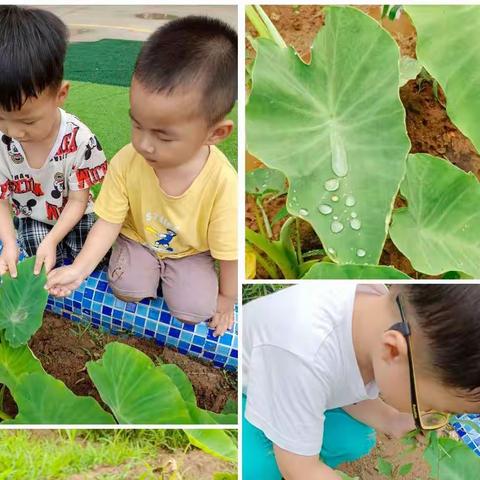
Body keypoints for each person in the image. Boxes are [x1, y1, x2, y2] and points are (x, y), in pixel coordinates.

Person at [46, 16, 238, 337]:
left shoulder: (223, 185)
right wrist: (79, 270)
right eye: (137, 125)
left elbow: (228, 255)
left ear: (215, 133)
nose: (143, 144)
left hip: (190, 250)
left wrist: (227, 298)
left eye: (163, 136)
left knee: (195, 309)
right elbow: (107, 222)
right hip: (137, 237)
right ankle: (146, 268)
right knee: (126, 288)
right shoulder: (128, 160)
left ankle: (177, 276)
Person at [242, 283, 480, 479]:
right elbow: (299, 470)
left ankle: (299, 445)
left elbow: (340, 376)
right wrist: (306, 467)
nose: (430, 416)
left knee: (354, 441)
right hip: (257, 390)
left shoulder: (377, 315)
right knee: (256, 471)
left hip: (300, 383)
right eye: (431, 408)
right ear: (393, 351)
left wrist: (392, 418)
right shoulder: (302, 356)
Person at [0, 6, 107, 278]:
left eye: (28, 121)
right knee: (39, 256)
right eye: (1, 119)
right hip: (33, 216)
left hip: (75, 213)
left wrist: (54, 238)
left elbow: (77, 200)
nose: (14, 132)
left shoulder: (79, 139)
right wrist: (10, 242)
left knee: (95, 255)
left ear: (60, 94)